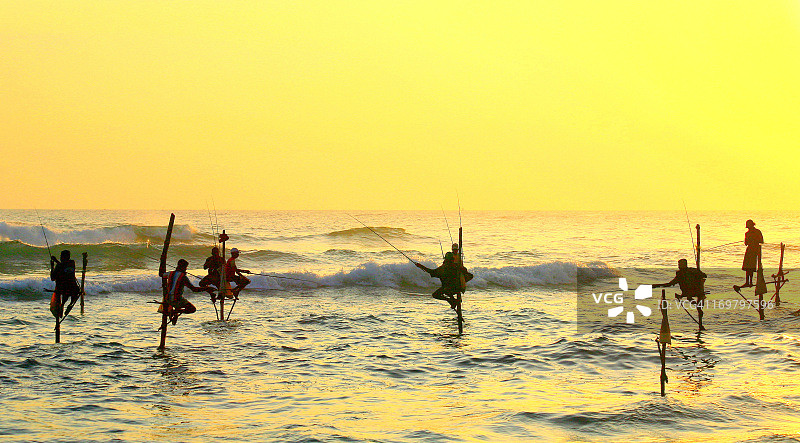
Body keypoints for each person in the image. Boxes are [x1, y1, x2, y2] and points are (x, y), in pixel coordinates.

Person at [654, 258, 707, 331]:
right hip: (691, 293)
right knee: (696, 304)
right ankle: (700, 324)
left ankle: (700, 324)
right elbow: (671, 284)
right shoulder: (688, 272)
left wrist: (699, 273)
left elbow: (670, 284)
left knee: (696, 305)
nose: (678, 266)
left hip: (694, 292)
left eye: (680, 265)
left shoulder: (687, 272)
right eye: (678, 265)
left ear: (684, 265)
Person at [159, 259, 210, 324]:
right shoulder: (183, 277)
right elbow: (194, 289)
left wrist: (161, 264)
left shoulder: (170, 273)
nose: (186, 269)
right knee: (192, 309)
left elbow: (161, 274)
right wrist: (206, 288)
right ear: (183, 267)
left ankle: (175, 312)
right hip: (177, 299)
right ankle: (174, 312)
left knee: (180, 302)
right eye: (185, 268)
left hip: (168, 299)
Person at [50, 250, 80, 317]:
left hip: (64, 289)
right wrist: (56, 262)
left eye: (61, 256)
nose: (60, 258)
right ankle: (70, 304)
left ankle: (63, 305)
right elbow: (63, 266)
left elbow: (52, 278)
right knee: (75, 292)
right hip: (73, 288)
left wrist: (52, 266)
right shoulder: (72, 263)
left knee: (65, 294)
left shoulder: (59, 266)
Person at [739, 219, 763, 288]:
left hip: (753, 250)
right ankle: (748, 282)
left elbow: (761, 241)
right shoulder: (753, 232)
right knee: (748, 267)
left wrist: (752, 241)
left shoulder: (754, 232)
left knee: (750, 267)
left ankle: (749, 282)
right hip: (751, 250)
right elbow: (746, 243)